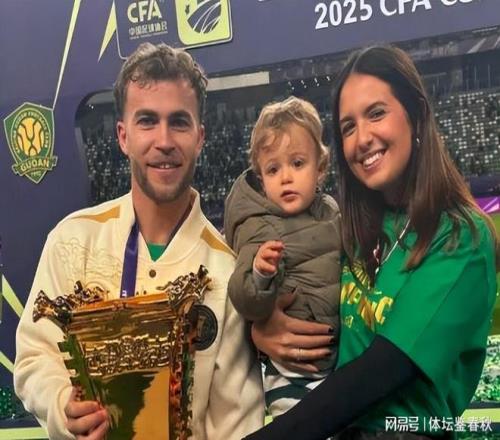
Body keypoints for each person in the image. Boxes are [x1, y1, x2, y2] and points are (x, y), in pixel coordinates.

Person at [245, 45, 499, 439]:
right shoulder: (353, 230)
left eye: (376, 113)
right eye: (348, 127)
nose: (362, 138)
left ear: (415, 114)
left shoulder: (459, 237)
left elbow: (380, 372)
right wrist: (261, 332)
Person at [14, 42, 264, 440]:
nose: (164, 140)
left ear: (200, 137)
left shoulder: (227, 272)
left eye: (179, 122)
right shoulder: (72, 241)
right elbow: (33, 357)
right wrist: (62, 405)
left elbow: (237, 426)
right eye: (147, 121)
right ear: (123, 136)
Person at [224, 96, 341, 417]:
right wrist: (260, 275)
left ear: (320, 168)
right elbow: (244, 299)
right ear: (261, 180)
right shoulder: (259, 226)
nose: (285, 177)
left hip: (336, 361)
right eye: (273, 169)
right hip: (290, 373)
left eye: (297, 163)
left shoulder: (332, 211)